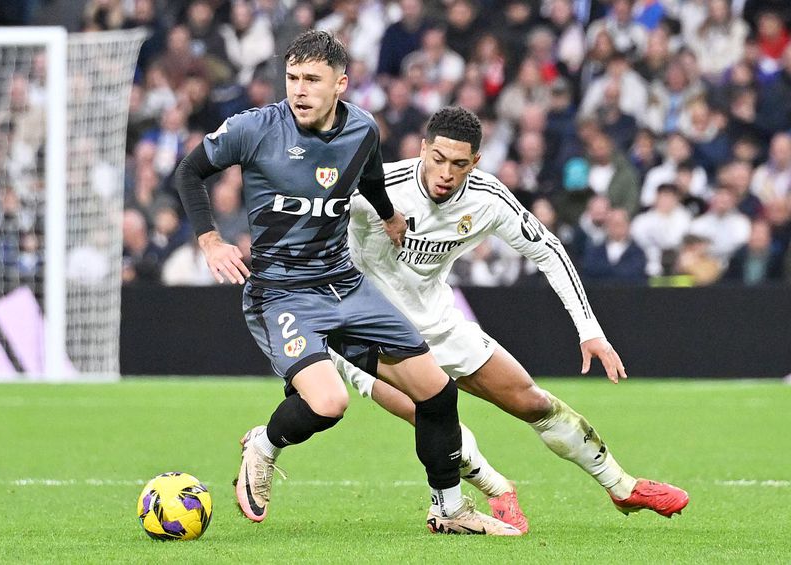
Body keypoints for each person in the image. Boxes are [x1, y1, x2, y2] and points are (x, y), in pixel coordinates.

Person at [173, 31, 516, 535]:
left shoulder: (362, 128)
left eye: (312, 80)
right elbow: (189, 171)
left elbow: (370, 177)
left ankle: (448, 510)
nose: (299, 90)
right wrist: (209, 240)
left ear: (341, 84)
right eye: (292, 78)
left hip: (345, 285)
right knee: (329, 404)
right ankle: (263, 447)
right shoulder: (254, 128)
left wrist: (390, 216)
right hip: (282, 291)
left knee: (438, 393)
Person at [332, 106, 689, 533]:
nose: (446, 173)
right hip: (365, 330)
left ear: (476, 162)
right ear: (422, 149)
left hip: (437, 321)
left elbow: (549, 250)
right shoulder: (376, 187)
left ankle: (621, 486)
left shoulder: (488, 198)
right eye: (438, 159)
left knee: (532, 401)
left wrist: (589, 329)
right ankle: (496, 487)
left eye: (459, 164)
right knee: (427, 413)